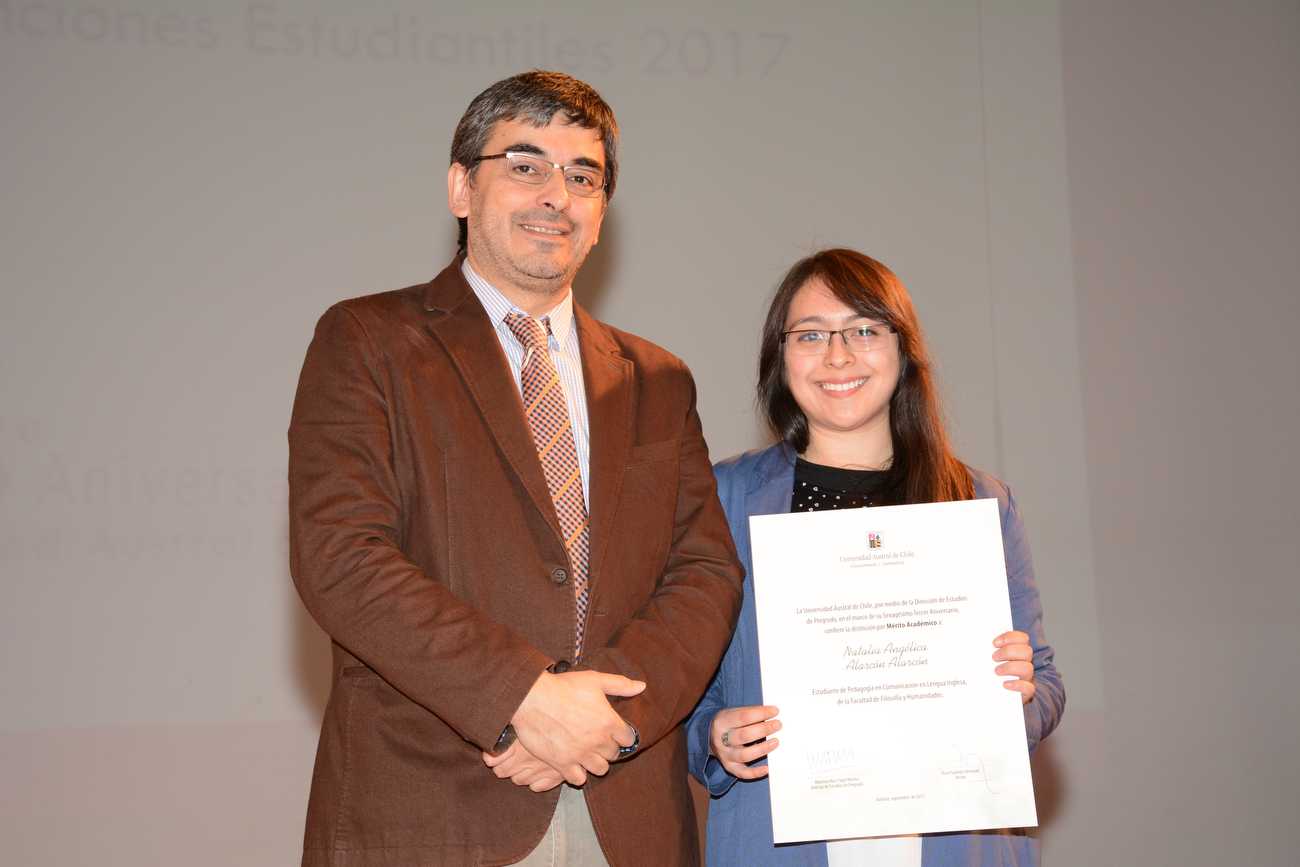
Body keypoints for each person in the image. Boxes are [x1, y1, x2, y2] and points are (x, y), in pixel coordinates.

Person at [288, 71, 743, 867]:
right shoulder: (367, 341)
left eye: (583, 176)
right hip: (431, 812)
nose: (556, 195)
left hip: (627, 812)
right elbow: (342, 557)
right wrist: (525, 698)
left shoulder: (659, 380)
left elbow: (704, 574)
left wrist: (600, 716)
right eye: (526, 165)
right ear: (462, 188)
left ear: (602, 213)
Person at [685, 248, 1065, 866]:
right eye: (811, 335)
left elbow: (1044, 685)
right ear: (780, 358)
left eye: (863, 330)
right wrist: (712, 736)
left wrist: (1014, 694)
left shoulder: (978, 499)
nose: (838, 356)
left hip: (954, 840)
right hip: (781, 839)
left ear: (903, 350)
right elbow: (680, 686)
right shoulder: (723, 497)